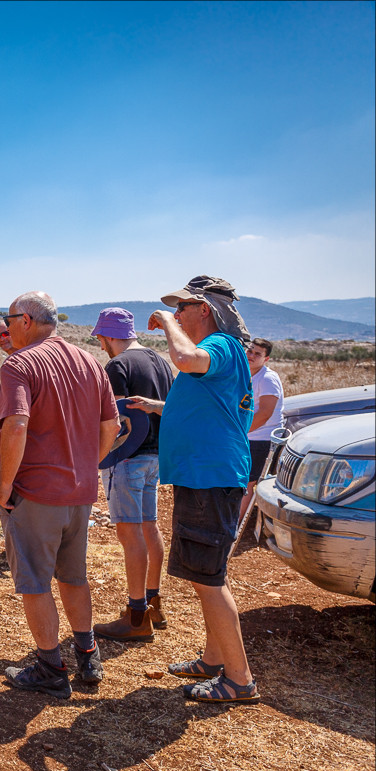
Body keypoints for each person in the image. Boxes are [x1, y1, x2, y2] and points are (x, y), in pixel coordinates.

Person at [126, 275, 259, 704]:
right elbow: (210, 407)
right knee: (209, 576)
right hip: (208, 475)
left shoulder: (218, 346)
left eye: (183, 307)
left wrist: (166, 323)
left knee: (208, 580)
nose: (177, 313)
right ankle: (213, 660)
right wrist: (157, 406)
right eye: (174, 309)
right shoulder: (226, 355)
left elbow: (184, 358)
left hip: (209, 478)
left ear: (205, 309)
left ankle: (239, 680)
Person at [0, 292, 119, 699]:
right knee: (73, 575)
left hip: (36, 491)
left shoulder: (19, 364)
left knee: (34, 582)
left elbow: (15, 426)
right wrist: (86, 466)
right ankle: (87, 655)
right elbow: (111, 427)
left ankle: (50, 668)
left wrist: (6, 483)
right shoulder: (89, 361)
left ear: (26, 320)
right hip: (79, 492)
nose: (7, 326)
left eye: (9, 318)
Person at [88, 308, 175, 642]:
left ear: (110, 335)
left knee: (129, 534)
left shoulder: (118, 366)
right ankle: (154, 602)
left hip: (127, 458)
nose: (101, 346)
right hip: (156, 455)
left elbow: (118, 421)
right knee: (149, 527)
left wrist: (99, 458)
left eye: (101, 338)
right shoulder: (161, 361)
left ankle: (135, 615)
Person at [241, 338, 283, 524]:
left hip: (260, 440)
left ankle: (237, 524)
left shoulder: (267, 379)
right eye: (250, 351)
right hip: (248, 437)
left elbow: (265, 413)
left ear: (266, 359)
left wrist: (239, 432)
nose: (251, 355)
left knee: (247, 483)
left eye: (257, 354)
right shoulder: (244, 374)